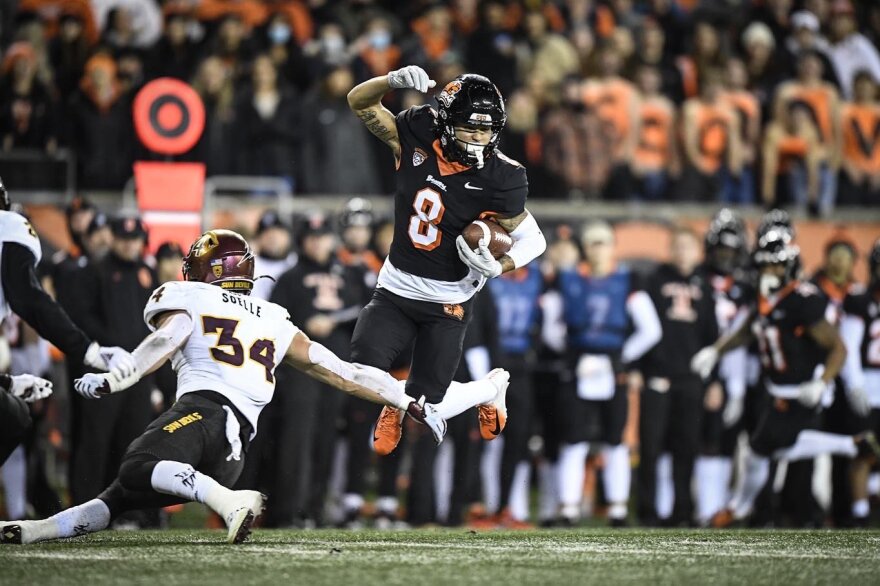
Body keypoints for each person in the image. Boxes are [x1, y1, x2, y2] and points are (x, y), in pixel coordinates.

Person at [0, 229, 508, 545]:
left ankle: (228, 501)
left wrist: (116, 378)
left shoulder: (189, 297)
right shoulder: (273, 316)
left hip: (205, 410)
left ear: (202, 272)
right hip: (237, 442)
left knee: (137, 463)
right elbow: (343, 373)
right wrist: (403, 398)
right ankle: (38, 530)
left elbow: (164, 342)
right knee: (120, 494)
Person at [346, 65, 547, 454]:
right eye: (470, 128)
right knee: (363, 371)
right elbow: (359, 101)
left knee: (428, 404)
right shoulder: (419, 130)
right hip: (397, 285)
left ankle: (490, 388)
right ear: (445, 121)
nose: (478, 138)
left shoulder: (503, 176)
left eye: (487, 130)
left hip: (448, 298)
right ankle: (396, 401)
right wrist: (390, 81)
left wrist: (500, 266)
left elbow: (533, 238)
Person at [691, 230, 880, 527]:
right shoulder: (764, 295)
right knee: (764, 451)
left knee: (766, 447)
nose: (769, 272)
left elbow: (838, 347)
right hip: (776, 389)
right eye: (764, 265)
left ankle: (736, 509)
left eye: (775, 265)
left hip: (802, 389)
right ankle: (737, 509)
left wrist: (821, 382)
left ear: (789, 265)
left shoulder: (802, 300)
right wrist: (716, 351)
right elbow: (748, 328)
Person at [0, 178, 136, 449]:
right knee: (13, 418)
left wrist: (8, 383)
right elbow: (28, 299)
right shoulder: (9, 225)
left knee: (13, 417)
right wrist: (91, 352)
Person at [556, 221, 662, 526]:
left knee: (615, 439)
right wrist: (571, 355)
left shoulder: (628, 281)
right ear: (584, 248)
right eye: (592, 242)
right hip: (578, 366)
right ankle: (569, 508)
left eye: (603, 242)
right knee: (573, 438)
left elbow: (651, 330)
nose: (598, 248)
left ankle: (617, 508)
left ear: (613, 246)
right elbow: (553, 325)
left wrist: (620, 359)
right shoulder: (569, 280)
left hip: (612, 368)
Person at [638, 226, 719, 526]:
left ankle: (682, 510)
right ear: (670, 250)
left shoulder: (706, 286)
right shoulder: (654, 280)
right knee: (651, 447)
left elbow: (713, 338)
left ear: (698, 252)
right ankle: (648, 511)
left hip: (691, 379)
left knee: (686, 448)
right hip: (658, 376)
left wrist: (714, 381)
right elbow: (640, 329)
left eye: (689, 246)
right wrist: (639, 370)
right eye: (678, 246)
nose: (683, 252)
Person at [840, 239, 880, 525]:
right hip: (868, 382)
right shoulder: (860, 300)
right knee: (864, 451)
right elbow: (849, 347)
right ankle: (859, 513)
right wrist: (854, 383)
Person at [250, 210, 296, 301]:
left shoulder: (298, 263)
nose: (273, 238)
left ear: (288, 236)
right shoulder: (248, 269)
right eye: (267, 234)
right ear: (258, 239)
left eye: (278, 233)